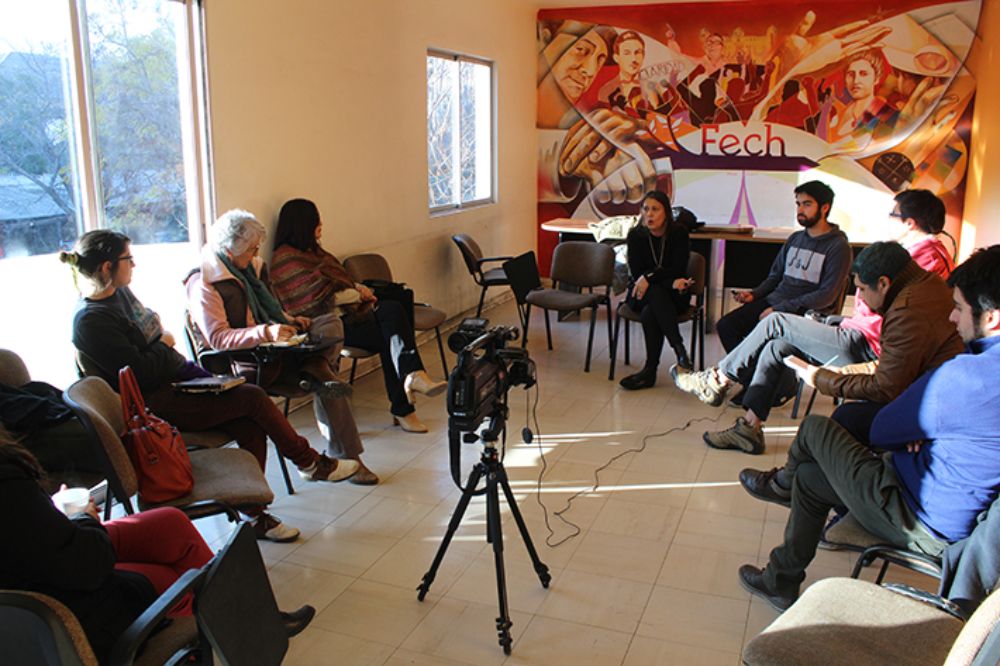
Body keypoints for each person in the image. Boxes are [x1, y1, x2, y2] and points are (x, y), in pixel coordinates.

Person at [735, 245, 1000, 611]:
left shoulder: (965, 378)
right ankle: (779, 581)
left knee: (814, 429)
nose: (952, 320)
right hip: (951, 513)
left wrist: (917, 433)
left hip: (917, 518)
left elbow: (882, 430)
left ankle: (783, 485)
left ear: (993, 318)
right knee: (811, 479)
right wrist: (925, 434)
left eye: (958, 308)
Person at [63, 230, 358, 543]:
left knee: (250, 424)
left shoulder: (119, 295)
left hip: (178, 381)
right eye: (127, 259)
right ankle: (308, 461)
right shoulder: (90, 321)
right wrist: (162, 344)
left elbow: (155, 345)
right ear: (107, 267)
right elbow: (142, 372)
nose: (133, 265)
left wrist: (162, 347)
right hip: (154, 405)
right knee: (254, 398)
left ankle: (254, 514)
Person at [0, 425, 315, 663]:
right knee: (175, 578)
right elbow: (81, 564)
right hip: (57, 611)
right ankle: (241, 628)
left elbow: (33, 537)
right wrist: (83, 518)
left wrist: (56, 515)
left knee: (170, 524)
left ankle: (244, 621)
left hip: (50, 560)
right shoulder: (8, 483)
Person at [673, 192, 959, 453]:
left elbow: (890, 317)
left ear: (909, 223)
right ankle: (749, 428)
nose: (888, 220)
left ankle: (716, 380)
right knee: (776, 345)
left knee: (777, 322)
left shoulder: (926, 259)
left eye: (893, 215)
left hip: (866, 344)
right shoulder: (917, 255)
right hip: (858, 332)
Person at [186, 209, 378, 482]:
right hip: (249, 363)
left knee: (330, 323)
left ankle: (316, 367)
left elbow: (267, 309)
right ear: (231, 250)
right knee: (327, 380)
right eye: (251, 250)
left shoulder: (250, 270)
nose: (255, 256)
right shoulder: (205, 282)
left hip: (276, 351)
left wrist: (289, 320)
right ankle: (350, 457)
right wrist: (267, 332)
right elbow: (218, 338)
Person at [269, 199, 447, 433]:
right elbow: (314, 299)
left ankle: (413, 377)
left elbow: (335, 282)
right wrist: (358, 293)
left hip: (348, 319)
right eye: (316, 220)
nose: (321, 224)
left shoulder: (314, 252)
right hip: (324, 327)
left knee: (392, 315)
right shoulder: (285, 259)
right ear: (302, 224)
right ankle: (406, 400)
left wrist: (355, 288)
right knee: (391, 332)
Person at [714, 180, 852, 352]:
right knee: (726, 326)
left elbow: (826, 296)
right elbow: (775, 276)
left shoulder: (838, 247)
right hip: (776, 303)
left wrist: (778, 309)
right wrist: (754, 294)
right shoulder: (795, 239)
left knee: (764, 341)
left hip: (805, 312)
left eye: (807, 204)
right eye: (798, 204)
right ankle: (749, 376)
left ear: (825, 208)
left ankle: (752, 374)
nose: (800, 210)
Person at [618, 190, 692, 390]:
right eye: (645, 209)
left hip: (672, 296)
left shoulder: (678, 233)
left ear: (666, 213)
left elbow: (677, 268)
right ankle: (679, 349)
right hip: (641, 294)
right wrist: (663, 280)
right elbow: (637, 272)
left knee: (652, 311)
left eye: (655, 209)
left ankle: (649, 372)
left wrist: (650, 278)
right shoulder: (636, 235)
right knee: (654, 295)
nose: (649, 214)